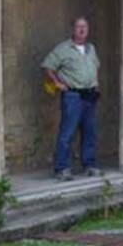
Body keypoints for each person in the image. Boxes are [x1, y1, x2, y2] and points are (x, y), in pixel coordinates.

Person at [42, 17, 102, 181]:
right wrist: (57, 84)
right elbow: (48, 65)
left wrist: (96, 84)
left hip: (89, 94)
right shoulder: (63, 48)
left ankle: (89, 165)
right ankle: (62, 168)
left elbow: (95, 67)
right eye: (78, 27)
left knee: (90, 131)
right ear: (73, 29)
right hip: (73, 95)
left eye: (85, 26)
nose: (82, 30)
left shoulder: (91, 49)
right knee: (67, 132)